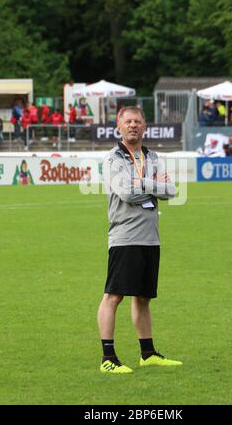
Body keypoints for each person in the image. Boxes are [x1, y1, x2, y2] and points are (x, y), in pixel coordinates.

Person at [98, 105, 182, 374]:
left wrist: (143, 182)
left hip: (150, 238)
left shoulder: (152, 155)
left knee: (143, 297)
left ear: (145, 127)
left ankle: (148, 353)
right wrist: (151, 183)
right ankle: (108, 358)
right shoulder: (114, 158)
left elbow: (171, 191)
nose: (133, 125)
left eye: (137, 121)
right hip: (125, 236)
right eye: (128, 122)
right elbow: (125, 192)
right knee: (114, 296)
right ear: (119, 127)